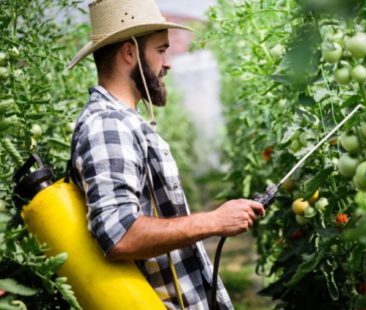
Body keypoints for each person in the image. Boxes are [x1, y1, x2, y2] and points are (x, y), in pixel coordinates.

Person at [67, 0, 265, 309]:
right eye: (161, 50)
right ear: (129, 52)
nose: (167, 62)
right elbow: (118, 234)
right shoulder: (108, 125)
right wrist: (214, 221)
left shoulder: (123, 122)